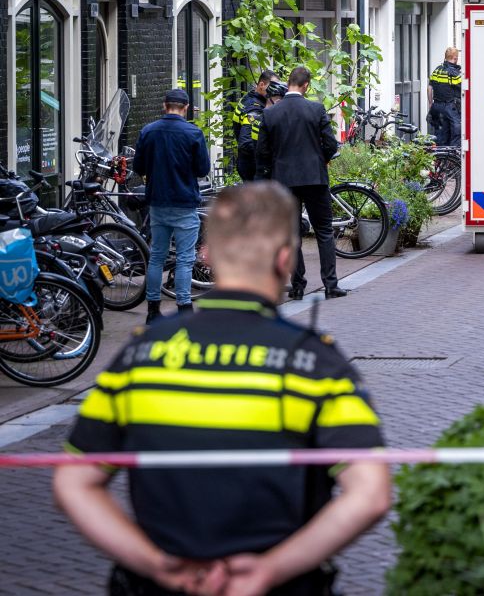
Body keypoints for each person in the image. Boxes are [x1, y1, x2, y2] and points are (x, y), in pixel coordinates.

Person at [53, 181, 390, 596]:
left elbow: (74, 482)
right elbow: (370, 493)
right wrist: (271, 569)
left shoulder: (140, 354)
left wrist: (155, 563)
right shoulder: (314, 363)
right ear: (285, 259)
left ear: (207, 255)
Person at [257, 66, 345, 301]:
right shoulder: (315, 109)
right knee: (324, 230)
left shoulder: (270, 114)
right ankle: (330, 285)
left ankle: (297, 286)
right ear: (306, 85)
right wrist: (321, 159)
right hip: (314, 178)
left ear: (288, 83)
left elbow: (262, 151)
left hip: (284, 180)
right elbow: (331, 144)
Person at [133, 89, 211, 324]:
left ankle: (152, 310)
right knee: (185, 259)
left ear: (164, 105)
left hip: (158, 202)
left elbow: (138, 166)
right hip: (184, 202)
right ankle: (184, 309)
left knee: (157, 256)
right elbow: (202, 169)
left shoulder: (148, 131)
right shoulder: (193, 133)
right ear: (185, 108)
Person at [234, 70, 287, 182]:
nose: (274, 90)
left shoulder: (251, 97)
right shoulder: (254, 108)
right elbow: (246, 143)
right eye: (271, 86)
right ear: (262, 85)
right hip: (251, 166)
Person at [426, 46, 462, 147]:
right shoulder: (454, 73)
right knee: (456, 132)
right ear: (455, 58)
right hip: (450, 106)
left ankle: (440, 154)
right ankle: (452, 154)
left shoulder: (437, 70)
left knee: (440, 134)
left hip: (437, 106)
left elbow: (429, 88)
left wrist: (430, 103)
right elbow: (463, 89)